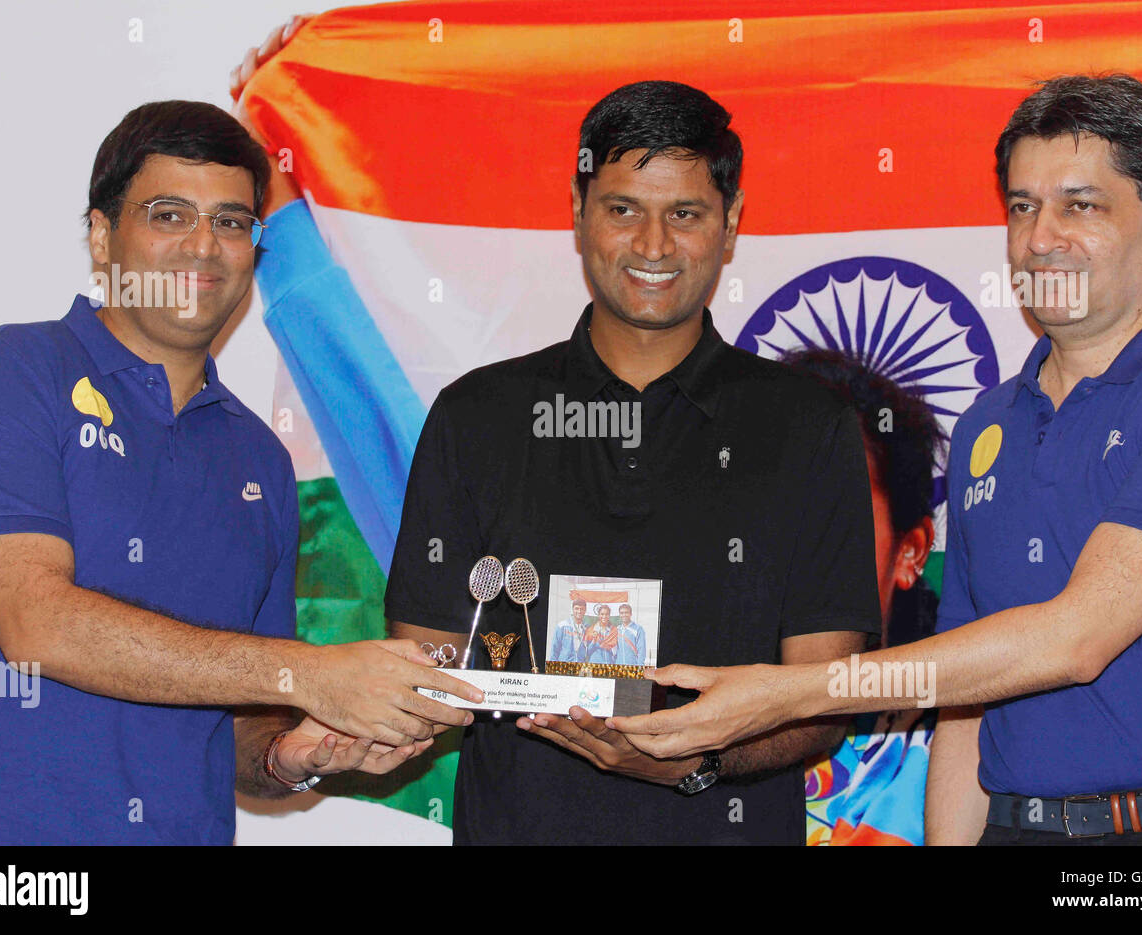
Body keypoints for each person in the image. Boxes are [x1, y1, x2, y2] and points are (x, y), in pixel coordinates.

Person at [232, 39, 881, 841]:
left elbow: (821, 695)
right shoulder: (478, 416)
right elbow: (430, 667)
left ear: (731, 222)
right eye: (622, 210)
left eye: (684, 213)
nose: (652, 246)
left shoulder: (807, 427)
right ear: (578, 215)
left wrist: (697, 762)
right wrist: (340, 731)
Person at [610, 74, 1142, 845]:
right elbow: (966, 701)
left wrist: (793, 693)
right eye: (1022, 206)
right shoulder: (985, 428)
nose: (1041, 237)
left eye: (1082, 204)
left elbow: (1076, 640)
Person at [0, 100, 480, 845]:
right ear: (101, 236)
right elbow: (38, 624)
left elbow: (244, 726)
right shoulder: (11, 372)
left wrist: (294, 754)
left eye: (231, 222)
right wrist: (310, 674)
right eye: (168, 214)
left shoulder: (260, 458)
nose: (204, 246)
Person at [783, 348, 942, 846]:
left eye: (838, 517)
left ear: (910, 552)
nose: (795, 546)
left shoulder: (966, 733)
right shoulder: (682, 699)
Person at [548, 598, 589, 663]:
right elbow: (554, 649)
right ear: (572, 609)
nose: (579, 611)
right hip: (564, 665)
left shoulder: (587, 628)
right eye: (577, 608)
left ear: (585, 610)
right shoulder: (562, 626)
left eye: (582, 609)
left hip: (580, 665)